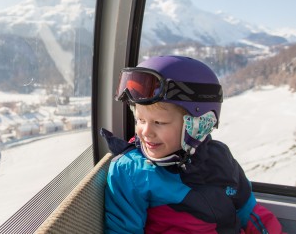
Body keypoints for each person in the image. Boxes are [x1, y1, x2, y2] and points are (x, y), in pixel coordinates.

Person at [102, 55, 283, 233]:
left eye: (159, 122)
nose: (145, 131)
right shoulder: (130, 172)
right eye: (140, 120)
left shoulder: (219, 157)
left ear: (196, 124)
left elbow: (248, 211)